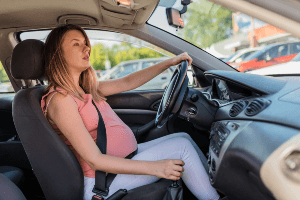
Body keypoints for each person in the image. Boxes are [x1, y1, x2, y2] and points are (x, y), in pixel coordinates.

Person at [41, 24, 220, 200]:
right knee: (181, 148)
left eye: (85, 43)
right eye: (76, 44)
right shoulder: (60, 100)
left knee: (183, 138)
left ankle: (217, 188)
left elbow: (127, 82)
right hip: (103, 182)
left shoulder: (84, 89)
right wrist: (156, 168)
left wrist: (169, 62)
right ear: (58, 54)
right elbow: (95, 160)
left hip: (124, 160)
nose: (87, 47)